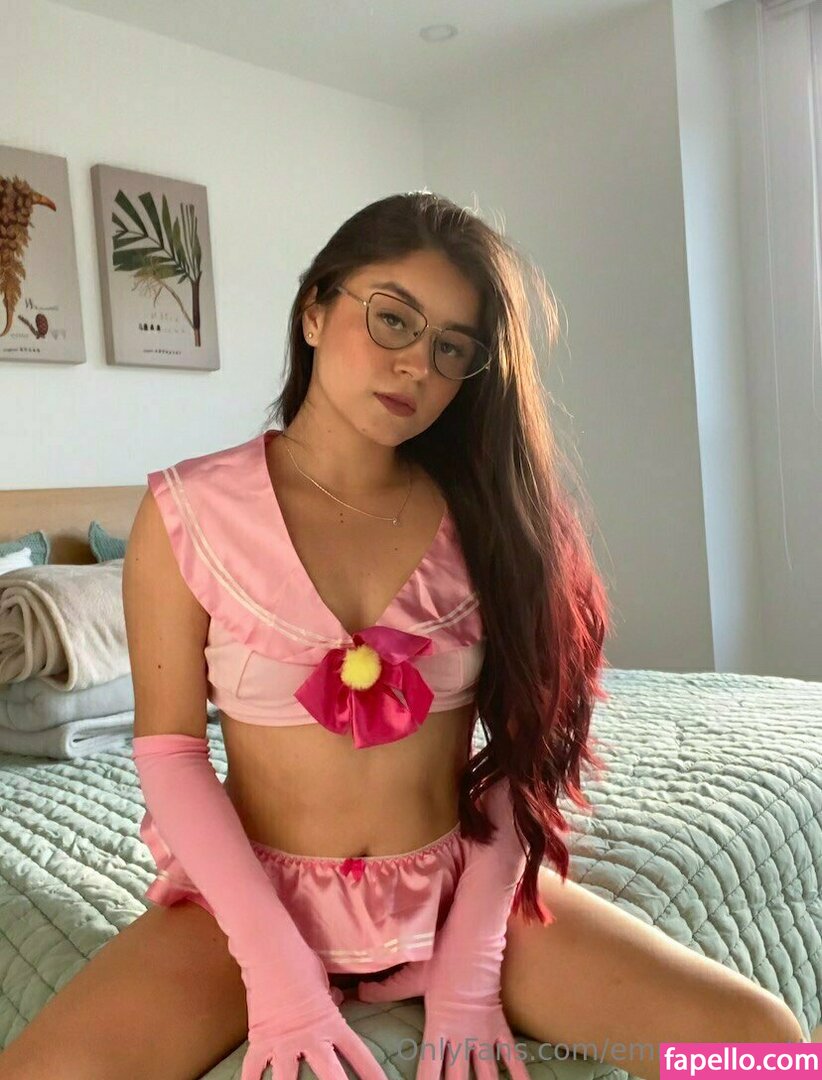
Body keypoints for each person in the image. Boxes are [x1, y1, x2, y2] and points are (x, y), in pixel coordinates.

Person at [0, 192, 804, 1080]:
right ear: (315, 309)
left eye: (451, 347)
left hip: (456, 888)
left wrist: (474, 958)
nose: (417, 363)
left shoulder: (490, 514)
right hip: (257, 901)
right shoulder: (185, 511)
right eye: (393, 319)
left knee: (761, 1048)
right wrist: (276, 969)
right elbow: (172, 753)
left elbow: (522, 745)